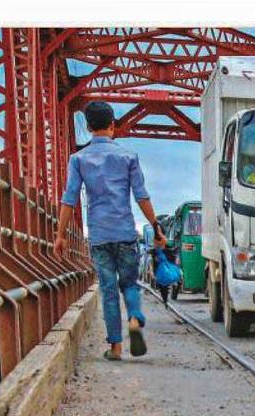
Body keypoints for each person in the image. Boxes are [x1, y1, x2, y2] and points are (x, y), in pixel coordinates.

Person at [55, 101, 161, 360]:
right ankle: (134, 318)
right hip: (125, 232)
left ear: (88, 127)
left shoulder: (78, 159)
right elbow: (141, 196)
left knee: (109, 291)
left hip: (100, 236)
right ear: (113, 124)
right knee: (130, 285)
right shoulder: (128, 157)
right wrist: (156, 227)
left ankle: (116, 347)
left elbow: (69, 198)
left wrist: (60, 235)